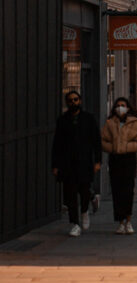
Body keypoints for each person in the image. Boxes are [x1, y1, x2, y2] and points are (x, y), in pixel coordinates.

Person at [51, 91, 102, 237]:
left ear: (80, 100)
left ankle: (85, 211)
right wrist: (55, 165)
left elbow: (96, 141)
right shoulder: (63, 120)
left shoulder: (89, 119)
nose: (73, 102)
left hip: (85, 162)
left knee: (84, 190)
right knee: (70, 194)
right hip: (68, 164)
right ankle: (74, 223)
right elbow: (57, 144)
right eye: (70, 100)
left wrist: (98, 161)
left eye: (75, 99)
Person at [101, 97, 137, 234]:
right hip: (115, 159)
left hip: (128, 159)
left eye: (123, 105)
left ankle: (128, 220)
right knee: (117, 190)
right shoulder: (110, 123)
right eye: (118, 105)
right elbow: (103, 140)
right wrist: (114, 148)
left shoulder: (135, 123)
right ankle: (120, 221)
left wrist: (126, 147)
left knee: (128, 190)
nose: (120, 107)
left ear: (128, 108)